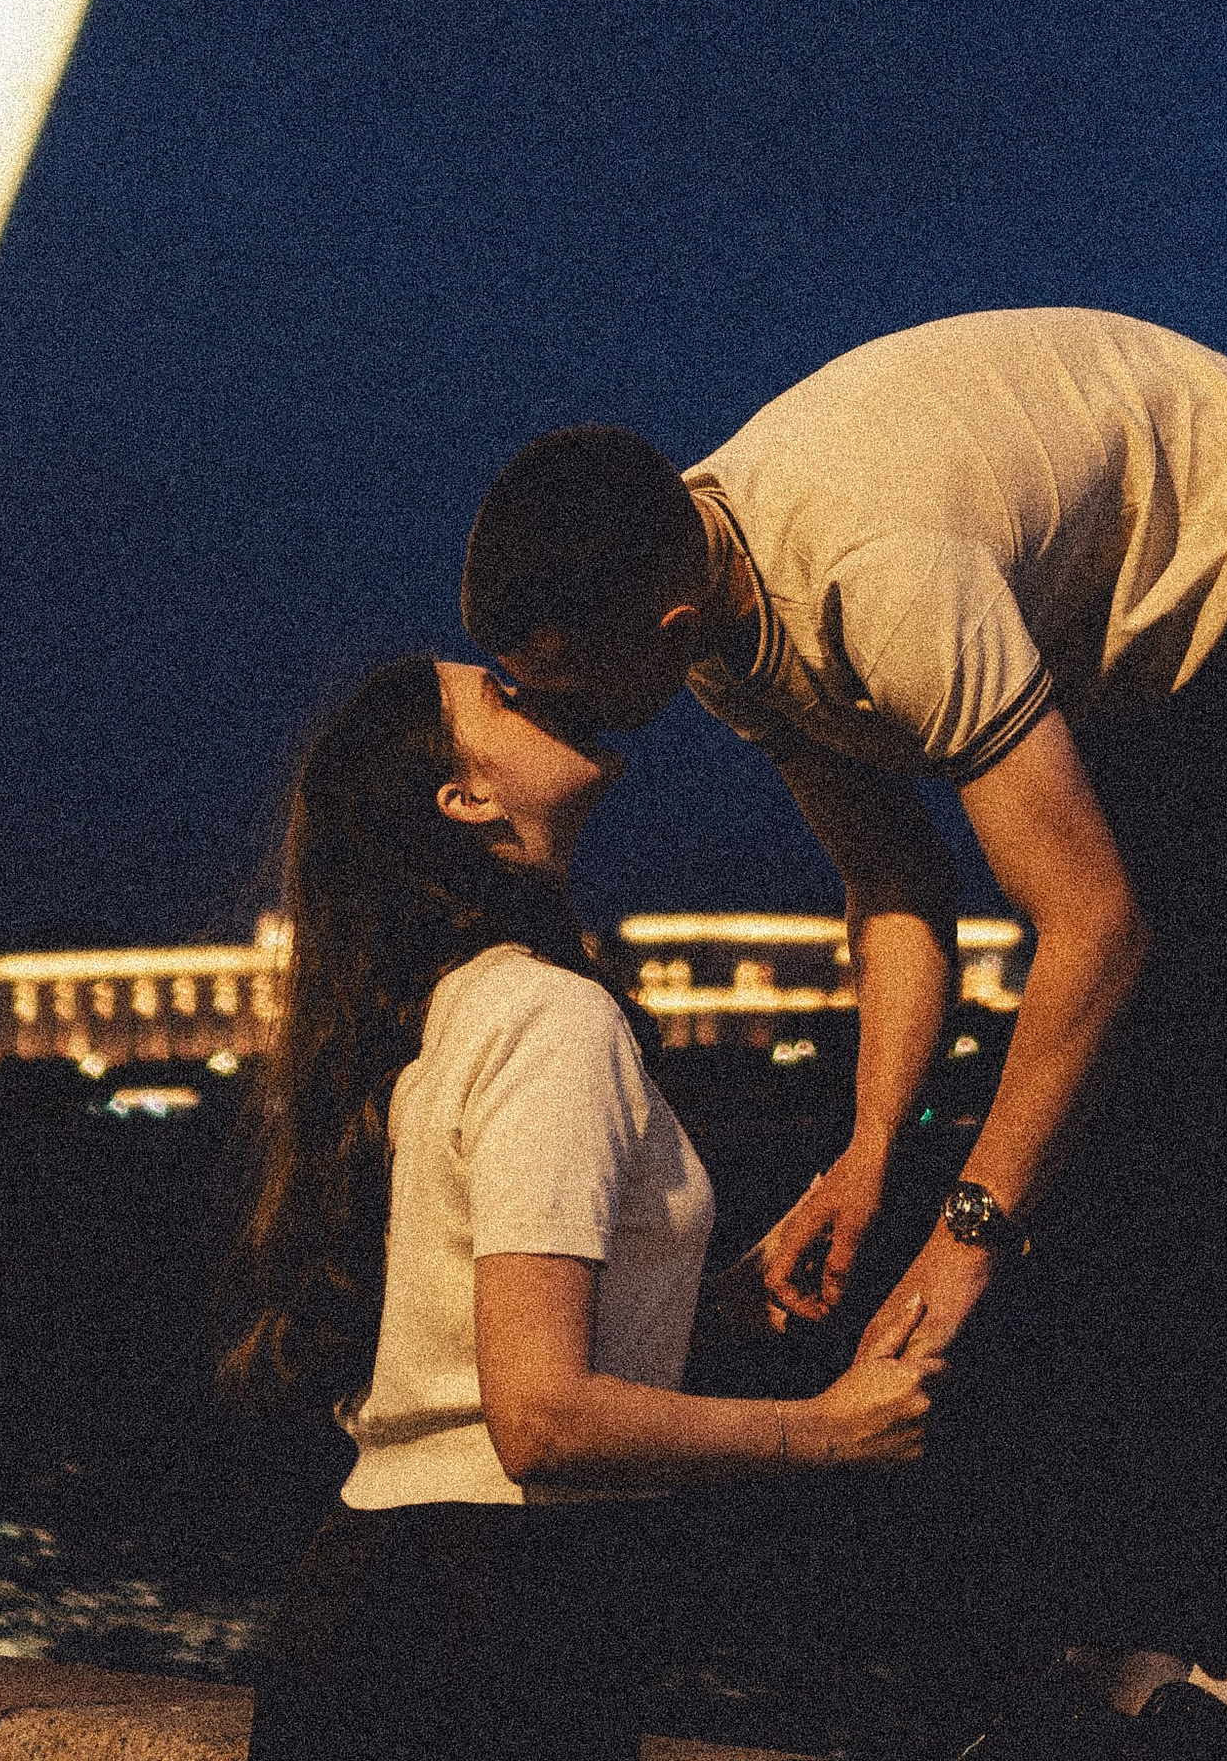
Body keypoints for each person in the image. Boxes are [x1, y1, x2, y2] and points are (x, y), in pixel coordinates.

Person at [459, 310, 1227, 1751]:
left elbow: (1091, 925)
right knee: (1091, 1135)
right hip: (1134, 649)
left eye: (566, 687)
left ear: (658, 630)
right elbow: (895, 887)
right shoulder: (712, 616)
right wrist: (866, 1153)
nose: (561, 719)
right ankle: (1129, 1633)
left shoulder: (883, 578)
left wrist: (965, 1235)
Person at [233, 651, 947, 1761]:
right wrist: (825, 1431)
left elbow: (470, 1344)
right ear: (466, 796)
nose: (536, 683)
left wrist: (701, 1304)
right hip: (486, 1621)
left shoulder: (460, 1009)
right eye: (500, 693)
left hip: (403, 1593)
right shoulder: (548, 1017)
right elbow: (539, 1419)